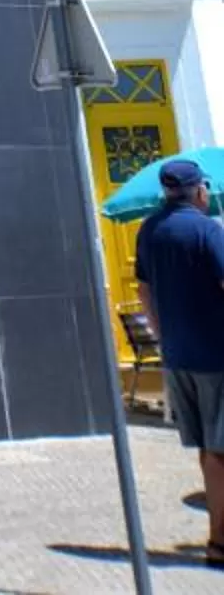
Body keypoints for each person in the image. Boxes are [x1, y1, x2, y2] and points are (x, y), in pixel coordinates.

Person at [136, 157, 224, 564]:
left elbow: (144, 290)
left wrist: (162, 335)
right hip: (216, 354)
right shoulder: (207, 230)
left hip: (178, 356)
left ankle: (218, 538)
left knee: (208, 449)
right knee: (220, 450)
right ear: (200, 191)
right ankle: (219, 541)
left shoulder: (149, 230)